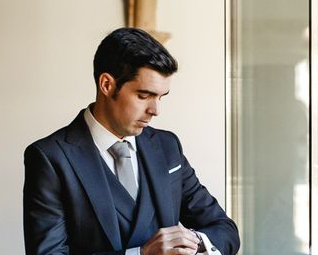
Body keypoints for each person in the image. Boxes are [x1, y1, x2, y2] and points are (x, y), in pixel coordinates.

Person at [23, 27, 240, 255]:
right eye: (143, 96)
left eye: (160, 97)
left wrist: (192, 241)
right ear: (106, 85)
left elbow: (224, 229)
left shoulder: (167, 147)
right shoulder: (50, 157)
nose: (155, 110)